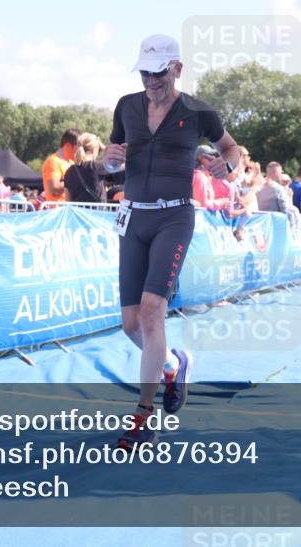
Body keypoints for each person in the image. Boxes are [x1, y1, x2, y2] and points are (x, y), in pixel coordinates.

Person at [102, 34, 240, 451]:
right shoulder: (127, 106)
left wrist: (228, 163)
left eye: (158, 73)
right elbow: (111, 158)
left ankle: (144, 418)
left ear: (176, 68)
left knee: (151, 313)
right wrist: (110, 159)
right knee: (130, 323)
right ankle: (172, 364)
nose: (151, 81)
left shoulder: (200, 112)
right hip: (134, 218)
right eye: (145, 72)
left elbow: (234, 150)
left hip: (175, 216)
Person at [64, 132, 108, 203]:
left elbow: (67, 201)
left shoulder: (69, 171)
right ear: (95, 149)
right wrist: (105, 149)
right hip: (97, 213)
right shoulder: (96, 166)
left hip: (77, 213)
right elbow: (124, 165)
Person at [42, 128, 81, 202]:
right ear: (68, 146)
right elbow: (54, 189)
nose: (80, 151)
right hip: (58, 210)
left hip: (69, 209)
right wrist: (75, 181)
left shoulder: (72, 162)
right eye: (78, 147)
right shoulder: (53, 161)